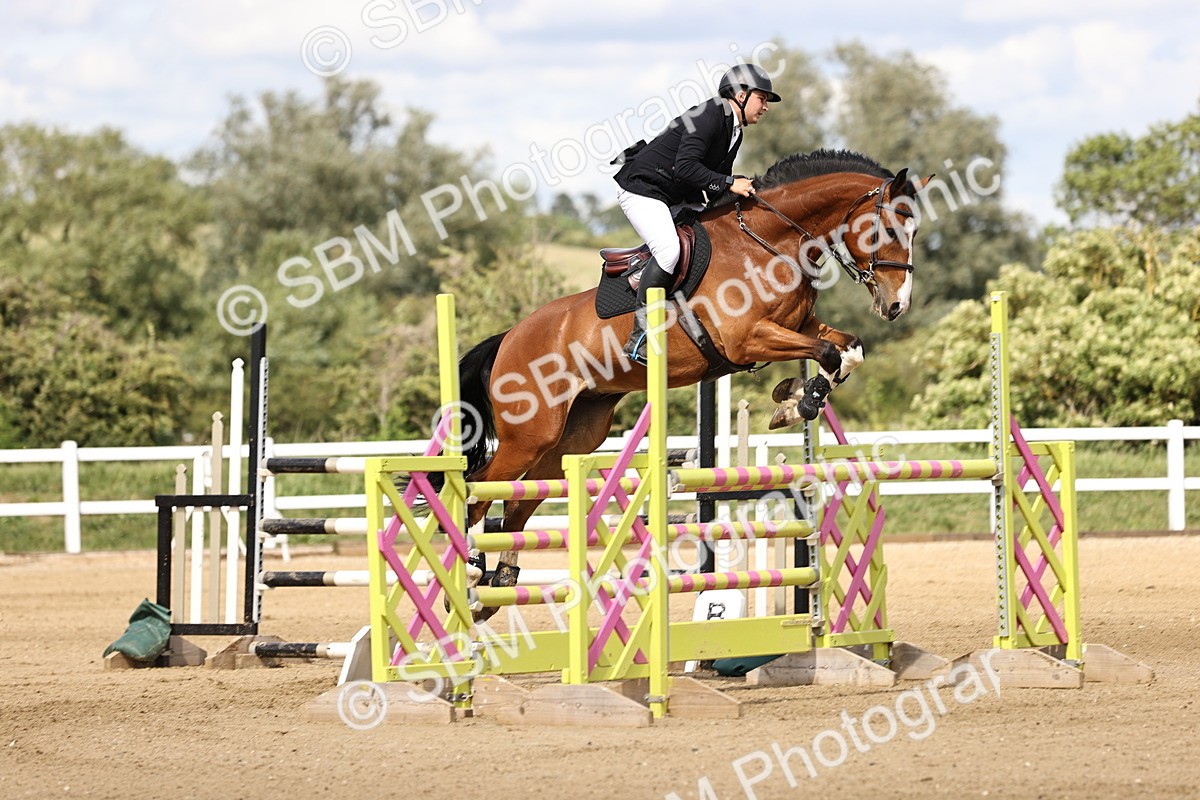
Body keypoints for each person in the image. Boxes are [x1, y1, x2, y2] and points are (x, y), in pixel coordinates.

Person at [613, 63, 780, 365]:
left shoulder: (734, 132)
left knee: (716, 240)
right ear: (740, 95)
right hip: (643, 190)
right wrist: (731, 183)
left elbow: (713, 186)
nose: (766, 107)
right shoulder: (709, 114)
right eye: (762, 98)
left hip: (677, 196)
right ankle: (639, 334)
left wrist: (753, 196)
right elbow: (687, 167)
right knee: (668, 251)